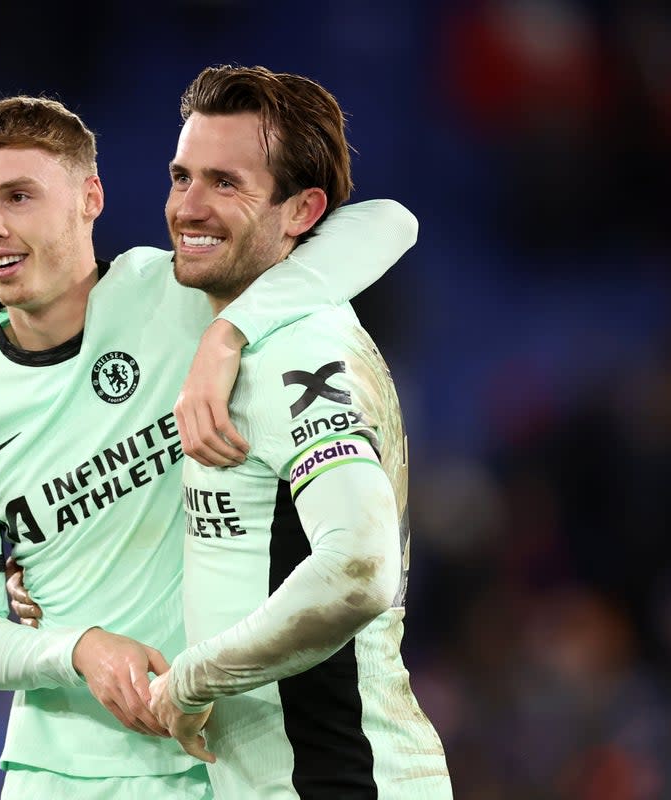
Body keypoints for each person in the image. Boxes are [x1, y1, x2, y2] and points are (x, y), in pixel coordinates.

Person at [0, 94, 419, 799]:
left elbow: (389, 223)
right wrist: (77, 649)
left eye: (19, 196)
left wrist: (228, 332)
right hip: (60, 770)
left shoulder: (183, 290)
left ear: (90, 197)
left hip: (215, 753)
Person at [145, 66, 453, 798]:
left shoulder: (302, 350)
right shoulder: (204, 310)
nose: (189, 207)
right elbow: (390, 223)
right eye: (181, 176)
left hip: (344, 779)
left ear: (302, 211)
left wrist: (194, 679)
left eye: (226, 183)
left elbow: (360, 568)